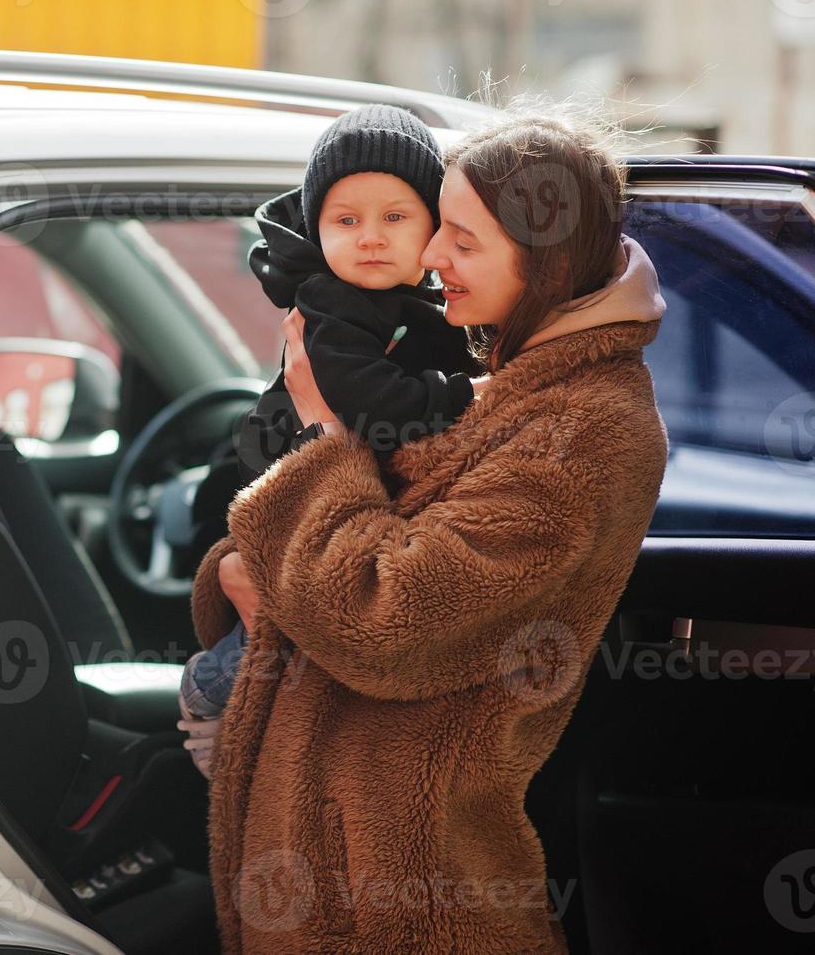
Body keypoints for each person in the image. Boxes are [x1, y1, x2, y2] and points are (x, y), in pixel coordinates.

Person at [179, 101, 669, 954]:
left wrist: (320, 437)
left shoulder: (585, 427)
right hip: (335, 858)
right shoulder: (491, 369)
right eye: (438, 226)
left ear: (545, 258)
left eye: (462, 240)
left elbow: (386, 617)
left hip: (408, 891)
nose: (430, 255)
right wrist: (242, 568)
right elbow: (362, 522)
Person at [180, 103, 480, 725]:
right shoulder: (329, 306)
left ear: (435, 226)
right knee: (306, 623)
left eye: (395, 217)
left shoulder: (420, 300)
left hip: (342, 493)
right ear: (317, 232)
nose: (371, 236)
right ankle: (211, 691)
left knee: (315, 619)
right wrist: (460, 395)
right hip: (295, 479)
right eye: (347, 221)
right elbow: (371, 405)